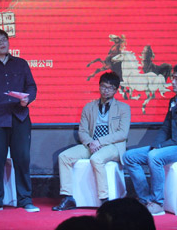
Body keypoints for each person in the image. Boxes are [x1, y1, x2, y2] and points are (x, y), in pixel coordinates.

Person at [122, 62, 177, 216]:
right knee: (129, 157)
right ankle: (145, 200)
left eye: (176, 79)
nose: (172, 82)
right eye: (172, 78)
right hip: (174, 146)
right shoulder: (174, 101)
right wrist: (157, 144)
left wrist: (161, 147)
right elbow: (166, 128)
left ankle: (157, 203)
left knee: (155, 156)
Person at [0, 29, 39, 212]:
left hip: (20, 117)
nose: (2, 43)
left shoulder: (21, 64)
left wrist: (27, 99)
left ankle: (25, 200)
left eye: (4, 39)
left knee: (22, 159)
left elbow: (31, 87)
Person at [53, 71, 131, 211]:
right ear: (99, 86)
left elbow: (122, 134)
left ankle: (104, 199)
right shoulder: (89, 107)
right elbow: (82, 131)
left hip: (113, 145)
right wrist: (90, 143)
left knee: (96, 159)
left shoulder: (123, 108)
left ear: (116, 90)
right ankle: (68, 197)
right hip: (92, 144)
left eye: (110, 88)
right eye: (103, 86)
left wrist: (100, 141)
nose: (106, 90)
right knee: (64, 157)